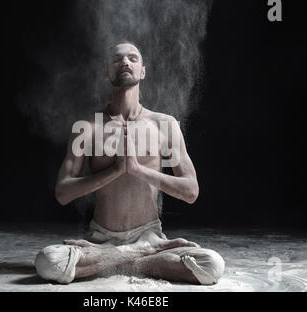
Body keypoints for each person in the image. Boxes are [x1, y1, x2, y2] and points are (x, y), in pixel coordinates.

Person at [34, 41, 225, 285]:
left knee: (212, 265)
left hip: (150, 237)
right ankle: (138, 258)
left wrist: (138, 169)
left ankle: (115, 260)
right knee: (47, 261)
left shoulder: (164, 124)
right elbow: (62, 193)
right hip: (101, 239)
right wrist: (115, 170)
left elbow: (191, 191)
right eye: (117, 59)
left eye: (133, 58)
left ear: (143, 71)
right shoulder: (87, 126)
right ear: (106, 72)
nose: (125, 62)